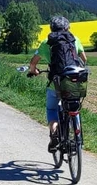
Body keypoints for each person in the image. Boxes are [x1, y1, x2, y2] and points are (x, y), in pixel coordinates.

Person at [26, 15, 87, 151]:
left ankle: (54, 134)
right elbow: (84, 59)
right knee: (73, 106)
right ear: (67, 27)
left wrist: (34, 71)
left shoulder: (46, 42)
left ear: (51, 28)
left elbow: (33, 63)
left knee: (52, 109)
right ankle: (76, 132)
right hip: (73, 80)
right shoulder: (74, 39)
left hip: (56, 82)